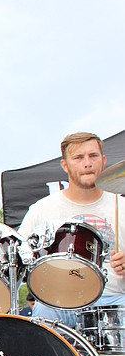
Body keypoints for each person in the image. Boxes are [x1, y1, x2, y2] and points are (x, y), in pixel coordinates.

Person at [18, 132, 125, 327]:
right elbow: (17, 260)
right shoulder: (41, 210)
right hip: (58, 302)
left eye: (93, 156)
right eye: (78, 157)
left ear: (103, 160)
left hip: (115, 300)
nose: (87, 163)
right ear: (65, 165)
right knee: (43, 312)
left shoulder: (122, 206)